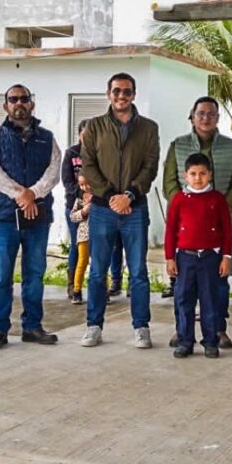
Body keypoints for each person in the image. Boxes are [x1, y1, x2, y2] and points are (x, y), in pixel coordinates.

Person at [79, 72, 161, 348]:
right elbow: (88, 165)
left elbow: (150, 167)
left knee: (137, 271)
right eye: (116, 91)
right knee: (97, 271)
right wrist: (111, 196)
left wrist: (129, 195)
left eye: (126, 92)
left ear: (134, 95)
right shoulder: (94, 126)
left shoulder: (149, 128)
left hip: (135, 208)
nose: (121, 96)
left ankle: (141, 327)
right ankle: (93, 326)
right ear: (108, 94)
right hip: (103, 210)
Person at [162, 96, 232, 347]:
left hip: (219, 225)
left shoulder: (229, 147)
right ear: (192, 115)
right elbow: (168, 181)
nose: (205, 118)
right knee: (184, 286)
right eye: (200, 113)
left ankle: (218, 330)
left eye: (211, 114)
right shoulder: (178, 145)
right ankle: (183, 331)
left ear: (217, 118)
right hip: (186, 229)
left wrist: (223, 207)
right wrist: (183, 205)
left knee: (219, 282)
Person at [0, 84, 62, 350]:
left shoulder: (47, 138)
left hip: (37, 217)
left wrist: (33, 194)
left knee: (35, 273)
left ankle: (32, 327)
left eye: (24, 99)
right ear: (5, 106)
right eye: (13, 99)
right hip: (5, 217)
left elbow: (53, 172)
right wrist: (20, 195)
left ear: (32, 104)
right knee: (2, 275)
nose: (19, 103)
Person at [165, 153, 232, 359]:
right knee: (184, 300)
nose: (198, 178)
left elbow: (227, 231)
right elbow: (170, 231)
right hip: (185, 258)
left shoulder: (217, 199)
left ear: (210, 175)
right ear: (185, 175)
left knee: (209, 300)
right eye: (193, 174)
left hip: (210, 258)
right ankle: (185, 340)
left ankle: (211, 341)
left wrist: (226, 256)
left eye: (202, 173)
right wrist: (170, 258)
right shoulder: (178, 200)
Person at [63, 120, 124, 299]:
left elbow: (108, 179)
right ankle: (74, 286)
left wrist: (98, 196)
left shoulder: (102, 153)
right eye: (86, 133)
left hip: (100, 205)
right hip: (76, 205)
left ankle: (107, 286)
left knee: (104, 248)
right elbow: (67, 181)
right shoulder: (71, 153)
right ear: (80, 134)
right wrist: (83, 197)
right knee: (78, 248)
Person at [69, 175, 94, 304]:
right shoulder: (79, 200)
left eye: (87, 184)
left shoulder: (100, 197)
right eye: (82, 185)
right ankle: (77, 290)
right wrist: (83, 212)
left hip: (98, 235)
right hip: (83, 235)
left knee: (100, 262)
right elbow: (72, 216)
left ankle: (103, 290)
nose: (85, 187)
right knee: (82, 261)